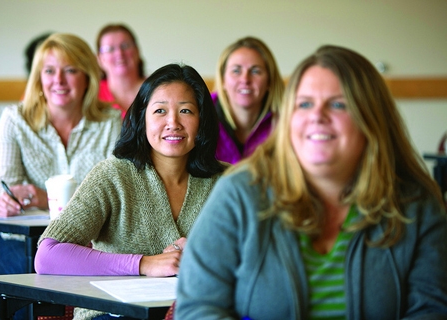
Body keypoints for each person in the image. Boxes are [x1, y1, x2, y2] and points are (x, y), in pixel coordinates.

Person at [176, 45, 447, 319]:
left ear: (372, 118)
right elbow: (198, 307)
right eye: (304, 104)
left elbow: (433, 310)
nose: (317, 116)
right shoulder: (239, 193)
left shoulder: (416, 203)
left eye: (338, 104)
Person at [34, 63, 227, 320]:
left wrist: (207, 253)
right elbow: (48, 256)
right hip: (113, 314)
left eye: (186, 111)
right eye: (160, 111)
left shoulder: (228, 181)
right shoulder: (113, 175)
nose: (173, 122)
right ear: (142, 118)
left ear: (202, 120)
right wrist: (143, 264)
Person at [0, 33, 122, 277]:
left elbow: (114, 193)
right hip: (22, 240)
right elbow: (2, 188)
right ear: (38, 77)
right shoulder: (15, 120)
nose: (58, 80)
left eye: (70, 70)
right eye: (49, 71)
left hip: (87, 245)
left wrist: (43, 197)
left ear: (87, 77)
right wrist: (4, 202)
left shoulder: (109, 121)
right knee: (29, 276)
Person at [212, 36, 284, 164]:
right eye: (236, 71)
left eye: (255, 71)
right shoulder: (199, 115)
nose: (245, 79)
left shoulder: (287, 122)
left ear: (269, 81)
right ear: (222, 80)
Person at [96, 23, 146, 118]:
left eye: (125, 46)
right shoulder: (91, 95)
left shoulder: (157, 88)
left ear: (137, 50)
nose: (119, 53)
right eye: (110, 49)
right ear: (100, 58)